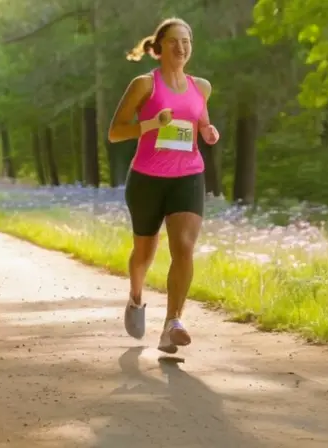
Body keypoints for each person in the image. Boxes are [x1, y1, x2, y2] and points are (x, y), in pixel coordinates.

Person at [107, 17, 219, 353]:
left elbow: (202, 122)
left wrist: (209, 132)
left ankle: (173, 323)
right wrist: (153, 123)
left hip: (187, 176)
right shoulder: (144, 85)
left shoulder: (202, 87)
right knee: (144, 252)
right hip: (147, 179)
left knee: (183, 247)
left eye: (187, 41)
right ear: (158, 48)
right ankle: (136, 297)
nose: (181, 47)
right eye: (174, 41)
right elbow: (115, 132)